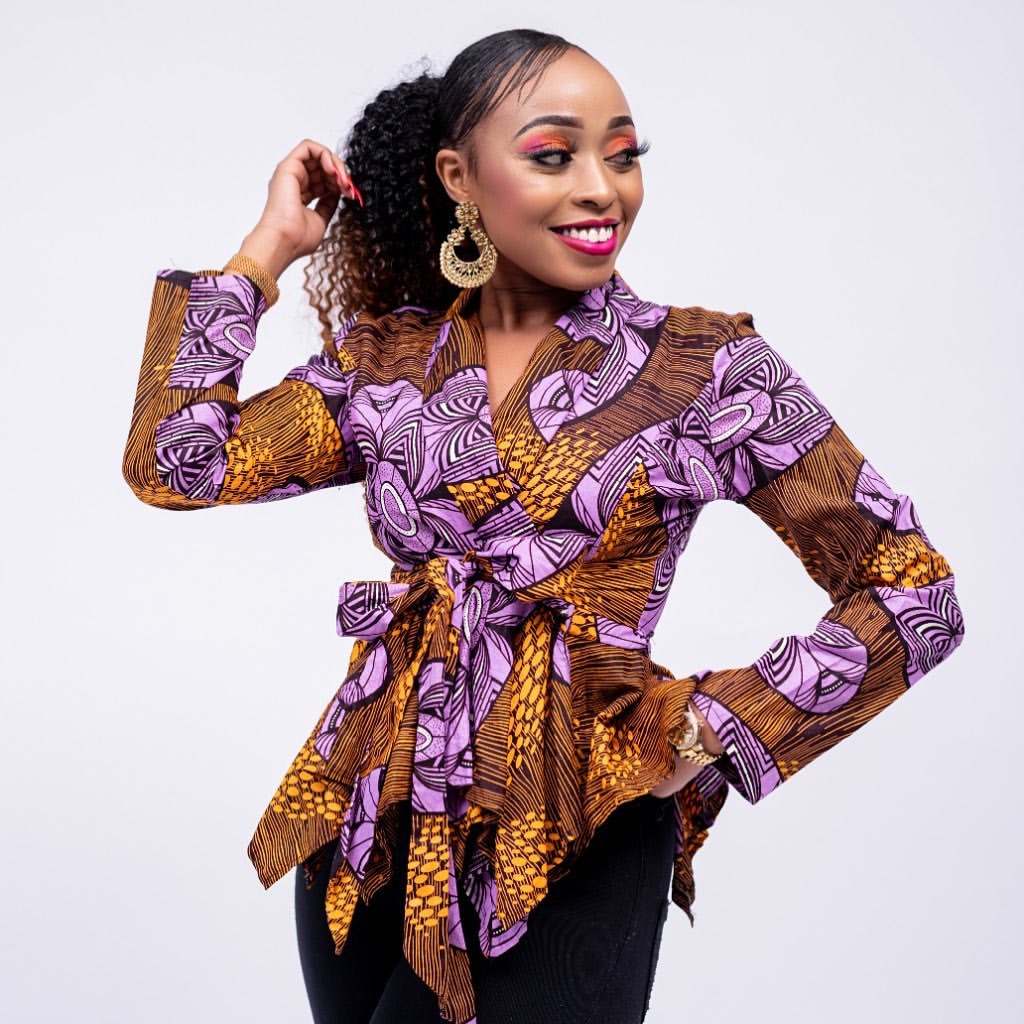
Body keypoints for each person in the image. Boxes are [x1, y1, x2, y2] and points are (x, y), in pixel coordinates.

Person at [121, 27, 966, 1024]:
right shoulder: (383, 362)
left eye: (624, 154)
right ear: (460, 179)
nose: (603, 188)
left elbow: (913, 590)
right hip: (375, 810)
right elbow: (177, 463)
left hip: (578, 815)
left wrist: (710, 724)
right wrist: (269, 248)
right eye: (555, 155)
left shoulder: (707, 368)